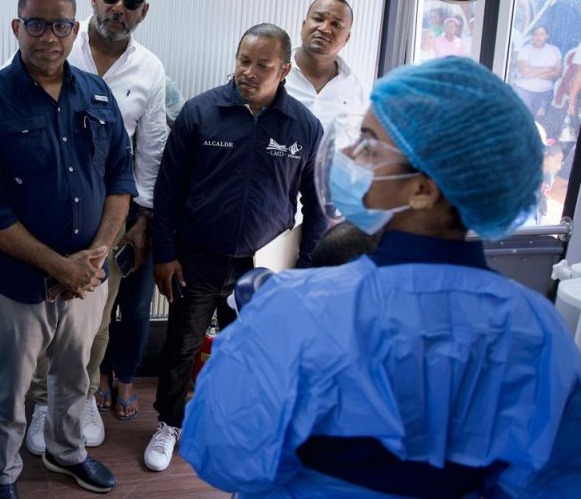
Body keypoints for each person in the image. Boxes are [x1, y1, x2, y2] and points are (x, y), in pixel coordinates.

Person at [182, 56, 581, 497]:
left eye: (370, 146)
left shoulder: (298, 309)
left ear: (423, 189)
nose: (350, 155)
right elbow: (554, 482)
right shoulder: (537, 329)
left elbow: (221, 453)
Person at [0, 0, 136, 498]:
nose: (48, 37)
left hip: (87, 279)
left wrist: (94, 258)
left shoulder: (97, 93)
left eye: (60, 26)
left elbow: (119, 180)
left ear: (75, 30)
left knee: (75, 377)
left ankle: (66, 452)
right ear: (17, 27)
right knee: (10, 389)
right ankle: (1, 473)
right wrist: (62, 267)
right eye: (36, 24)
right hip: (14, 284)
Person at [144, 23, 327, 473]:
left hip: (262, 267)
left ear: (283, 70)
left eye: (263, 65)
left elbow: (318, 203)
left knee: (250, 352)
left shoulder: (304, 126)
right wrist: (165, 253)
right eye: (244, 60)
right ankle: (169, 423)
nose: (249, 71)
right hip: (197, 258)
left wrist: (303, 269)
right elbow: (168, 189)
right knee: (182, 346)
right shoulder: (200, 112)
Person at [24, 0, 167, 453]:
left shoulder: (150, 70)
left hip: (110, 214)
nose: (119, 7)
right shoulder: (55, 40)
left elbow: (151, 151)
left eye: (132, 2)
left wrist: (142, 221)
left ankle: (84, 394)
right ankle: (42, 403)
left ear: (143, 12)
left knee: (96, 316)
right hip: (44, 208)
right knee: (43, 313)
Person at [286, 0, 370, 131]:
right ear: (303, 26)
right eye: (318, 19)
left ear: (347, 38)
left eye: (336, 24)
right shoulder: (272, 76)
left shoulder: (360, 94)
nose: (324, 28)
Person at [514, 25, 563, 118]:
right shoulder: (525, 49)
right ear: (532, 36)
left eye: (542, 34)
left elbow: (558, 73)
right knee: (522, 119)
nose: (538, 37)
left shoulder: (555, 51)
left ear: (547, 36)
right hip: (523, 92)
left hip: (545, 94)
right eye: (535, 34)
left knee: (539, 121)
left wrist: (531, 72)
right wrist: (548, 69)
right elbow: (523, 71)